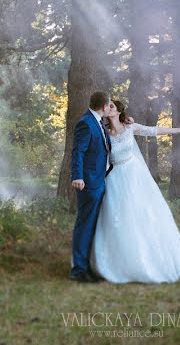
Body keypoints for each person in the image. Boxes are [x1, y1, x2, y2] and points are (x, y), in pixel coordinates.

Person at [89, 99, 180, 283]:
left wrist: (177, 130)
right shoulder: (103, 132)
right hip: (114, 178)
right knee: (117, 218)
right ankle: (118, 262)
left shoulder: (130, 127)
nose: (108, 108)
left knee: (143, 214)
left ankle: (147, 260)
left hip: (135, 176)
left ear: (119, 110)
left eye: (111, 106)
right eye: (106, 106)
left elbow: (152, 130)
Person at [69, 91, 115, 282]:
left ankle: (87, 266)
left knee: (92, 226)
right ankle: (78, 270)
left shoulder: (98, 122)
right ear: (103, 107)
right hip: (88, 183)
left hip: (99, 180)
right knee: (85, 226)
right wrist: (78, 176)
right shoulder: (86, 123)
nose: (110, 108)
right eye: (109, 105)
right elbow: (78, 151)